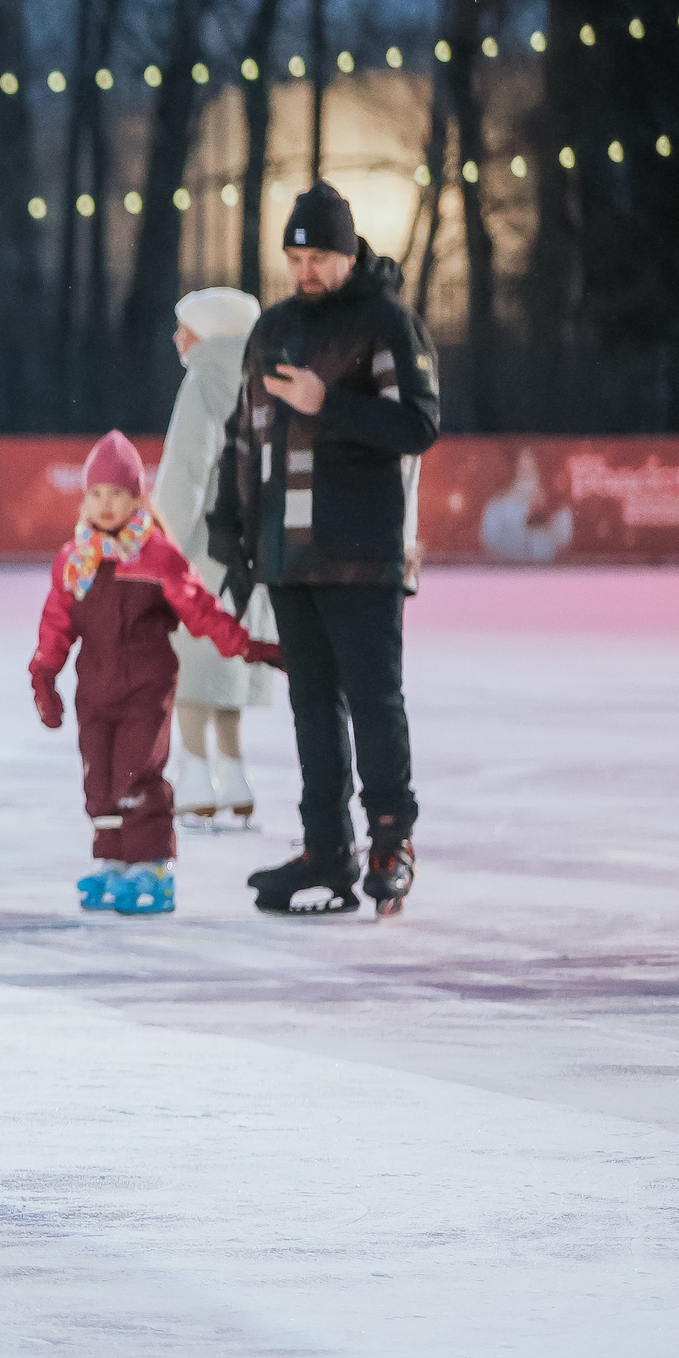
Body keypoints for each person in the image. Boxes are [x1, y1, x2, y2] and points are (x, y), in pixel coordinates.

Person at [209, 183, 441, 916]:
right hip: (287, 551)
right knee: (310, 703)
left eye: (319, 258)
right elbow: (242, 435)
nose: (305, 270)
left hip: (362, 550)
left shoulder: (385, 323)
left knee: (373, 700)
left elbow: (420, 424)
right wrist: (233, 531)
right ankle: (326, 849)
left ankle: (389, 841)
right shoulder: (273, 328)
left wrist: (326, 403)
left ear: (348, 254)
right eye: (295, 256)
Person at [32, 432, 281, 915]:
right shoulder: (73, 562)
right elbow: (56, 625)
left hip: (146, 690)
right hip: (95, 693)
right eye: (96, 494)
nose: (106, 505)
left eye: (117, 494)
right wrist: (44, 676)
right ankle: (112, 862)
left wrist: (247, 646)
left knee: (136, 773)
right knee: (99, 778)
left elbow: (201, 611)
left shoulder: (155, 556)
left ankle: (153, 866)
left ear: (135, 497)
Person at [152, 287, 275, 828]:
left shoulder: (203, 379)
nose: (178, 338)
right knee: (228, 663)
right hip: (256, 552)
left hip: (205, 546)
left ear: (207, 333)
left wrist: (160, 545)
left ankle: (196, 776)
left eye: (185, 327)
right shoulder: (265, 378)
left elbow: (185, 472)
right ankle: (236, 775)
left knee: (189, 664)